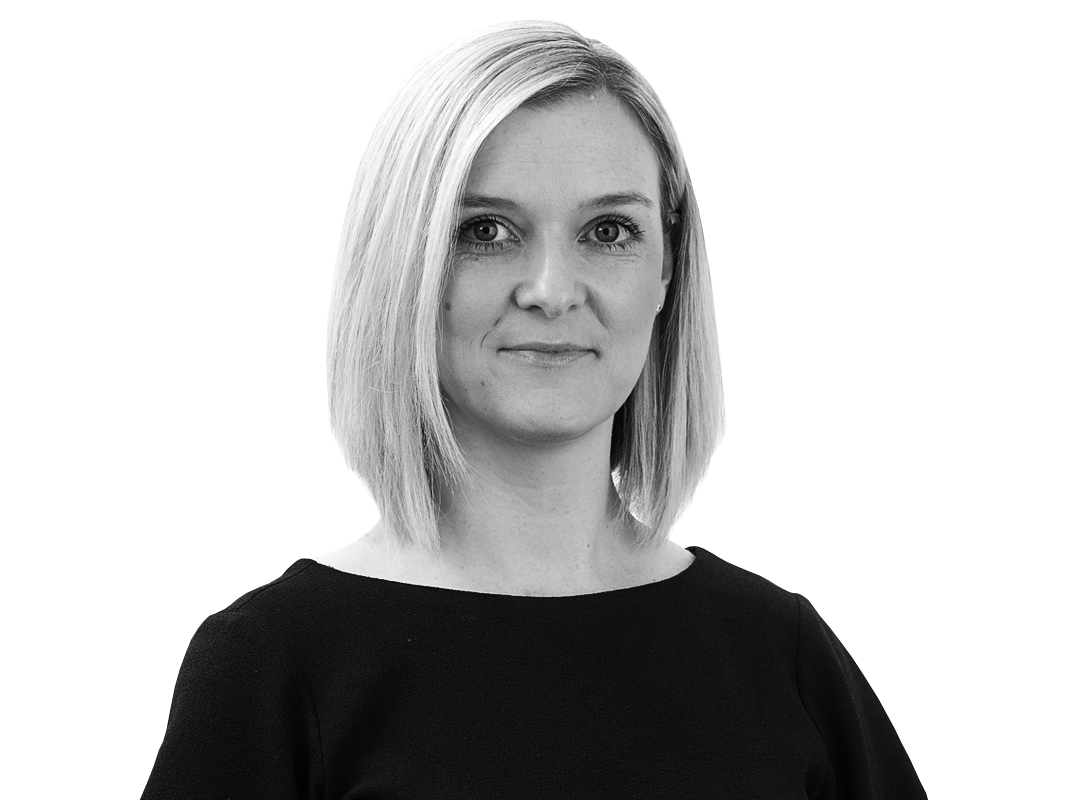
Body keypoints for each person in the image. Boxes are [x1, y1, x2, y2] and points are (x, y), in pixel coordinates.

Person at [140, 20, 928, 799]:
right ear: (403, 265)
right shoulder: (271, 669)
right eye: (485, 230)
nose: (551, 290)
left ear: (667, 269)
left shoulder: (781, 658)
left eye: (608, 231)